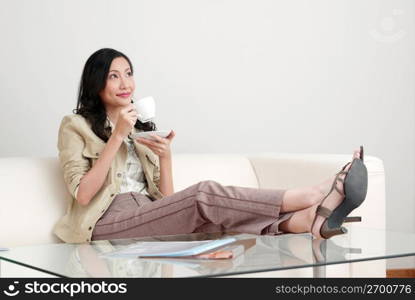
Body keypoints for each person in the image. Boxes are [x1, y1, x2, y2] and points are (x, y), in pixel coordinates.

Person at [53, 48, 368, 244]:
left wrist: (165, 158)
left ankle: (309, 219)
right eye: (114, 76)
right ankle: (312, 194)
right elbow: (82, 194)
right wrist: (117, 137)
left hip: (146, 212)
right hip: (107, 222)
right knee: (203, 195)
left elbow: (167, 202)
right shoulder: (75, 125)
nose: (126, 84)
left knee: (215, 219)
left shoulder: (141, 128)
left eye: (129, 74)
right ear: (97, 84)